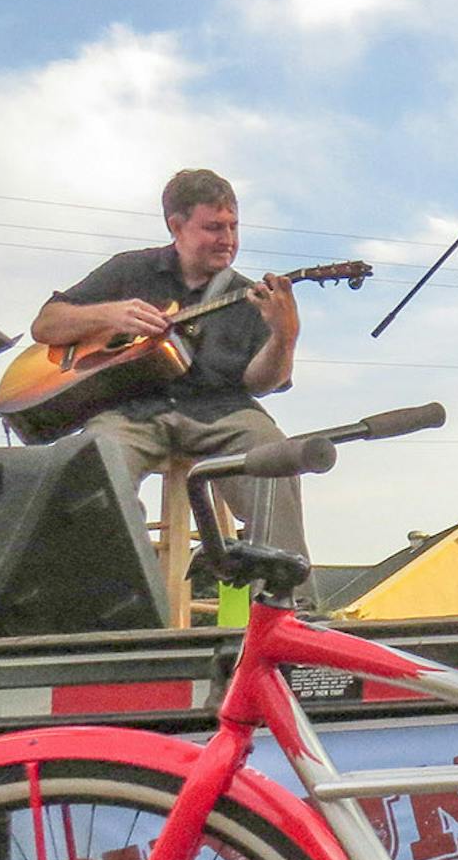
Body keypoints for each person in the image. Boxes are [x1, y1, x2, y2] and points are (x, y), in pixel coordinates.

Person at [31, 168, 311, 565]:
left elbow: (263, 382)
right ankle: (128, 600)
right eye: (213, 227)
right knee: (92, 462)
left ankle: (292, 606)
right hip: (131, 413)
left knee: (273, 455)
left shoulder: (247, 296)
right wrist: (109, 316)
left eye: (233, 226)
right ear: (175, 226)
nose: (227, 239)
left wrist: (285, 335)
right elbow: (45, 325)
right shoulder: (130, 270)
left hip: (223, 413)